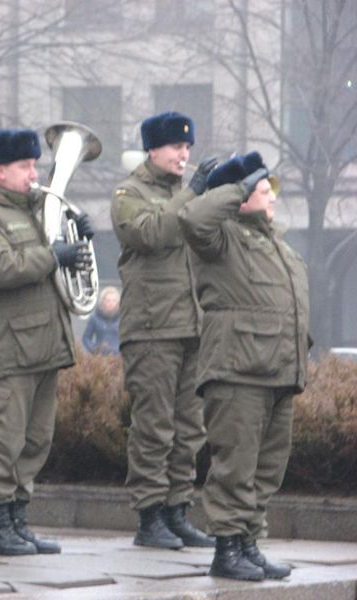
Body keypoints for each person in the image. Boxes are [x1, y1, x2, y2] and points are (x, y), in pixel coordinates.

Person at [178, 152, 310, 581]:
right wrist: (233, 187)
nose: (270, 195)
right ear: (236, 198)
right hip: (237, 371)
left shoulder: (276, 242)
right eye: (261, 188)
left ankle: (249, 544)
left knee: (266, 468)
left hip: (278, 373)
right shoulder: (221, 239)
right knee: (235, 465)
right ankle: (227, 548)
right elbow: (192, 218)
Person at [0, 128, 90, 556]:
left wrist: (77, 232)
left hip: (45, 345)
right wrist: (53, 256)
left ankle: (18, 520)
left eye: (35, 164)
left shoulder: (41, 212)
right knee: (5, 439)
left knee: (36, 441)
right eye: (25, 166)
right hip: (10, 349)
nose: (34, 174)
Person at [110, 111, 217, 549]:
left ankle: (177, 511)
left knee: (188, 429)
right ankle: (149, 516)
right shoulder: (128, 193)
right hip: (152, 328)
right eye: (176, 147)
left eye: (188, 148)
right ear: (153, 149)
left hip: (190, 325)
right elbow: (151, 234)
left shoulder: (187, 193)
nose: (184, 154)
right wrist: (192, 193)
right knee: (153, 428)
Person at [81, 286, 121, 355]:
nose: (111, 303)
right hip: (100, 358)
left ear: (118, 302)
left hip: (118, 357)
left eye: (114, 300)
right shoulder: (95, 317)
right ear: (103, 301)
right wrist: (94, 349)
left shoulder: (122, 318)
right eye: (108, 300)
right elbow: (86, 338)